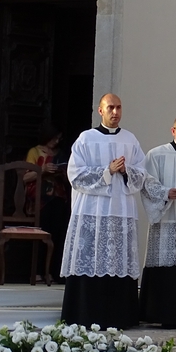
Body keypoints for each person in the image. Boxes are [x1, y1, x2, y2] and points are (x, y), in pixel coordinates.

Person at [60, 94, 146, 329]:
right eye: (110, 107)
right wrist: (107, 170)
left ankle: (119, 317)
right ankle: (84, 315)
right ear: (100, 110)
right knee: (90, 260)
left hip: (120, 211)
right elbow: (75, 175)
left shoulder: (130, 140)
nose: (115, 112)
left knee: (117, 262)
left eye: (119, 107)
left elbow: (141, 175)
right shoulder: (86, 139)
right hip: (92, 211)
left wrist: (127, 170)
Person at [138, 114, 176, 329]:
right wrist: (165, 193)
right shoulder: (156, 155)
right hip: (166, 219)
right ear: (173, 131)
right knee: (166, 268)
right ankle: (160, 313)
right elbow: (147, 184)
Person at [24, 123, 70, 274]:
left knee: (58, 231)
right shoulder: (35, 152)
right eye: (54, 138)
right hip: (39, 199)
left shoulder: (61, 154)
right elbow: (26, 177)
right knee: (43, 228)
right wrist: (43, 169)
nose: (56, 142)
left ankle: (54, 271)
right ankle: (37, 271)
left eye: (58, 139)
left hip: (58, 197)